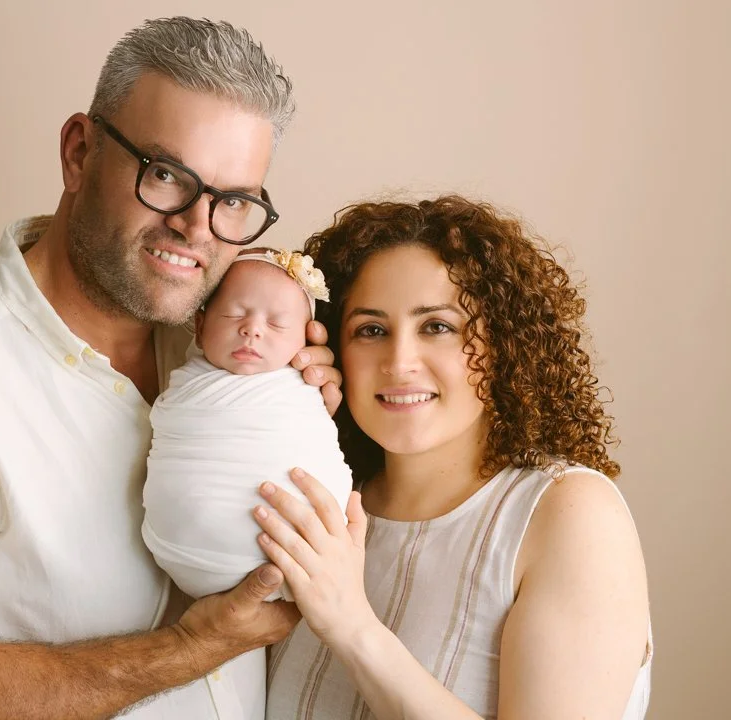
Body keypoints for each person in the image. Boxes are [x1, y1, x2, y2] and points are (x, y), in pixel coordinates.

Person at [0, 17, 343, 720]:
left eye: (233, 202)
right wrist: (194, 646)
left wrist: (302, 415)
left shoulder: (228, 345)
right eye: (165, 176)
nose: (197, 227)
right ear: (78, 153)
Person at [256, 196, 652, 719]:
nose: (399, 362)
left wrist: (353, 627)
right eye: (371, 330)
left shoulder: (568, 515)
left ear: (504, 343)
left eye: (437, 326)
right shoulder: (313, 502)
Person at [142, 248, 353, 602]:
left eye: (276, 324)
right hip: (183, 552)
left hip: (302, 555)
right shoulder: (186, 379)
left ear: (308, 340)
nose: (251, 330)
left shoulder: (299, 389)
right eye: (234, 314)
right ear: (199, 325)